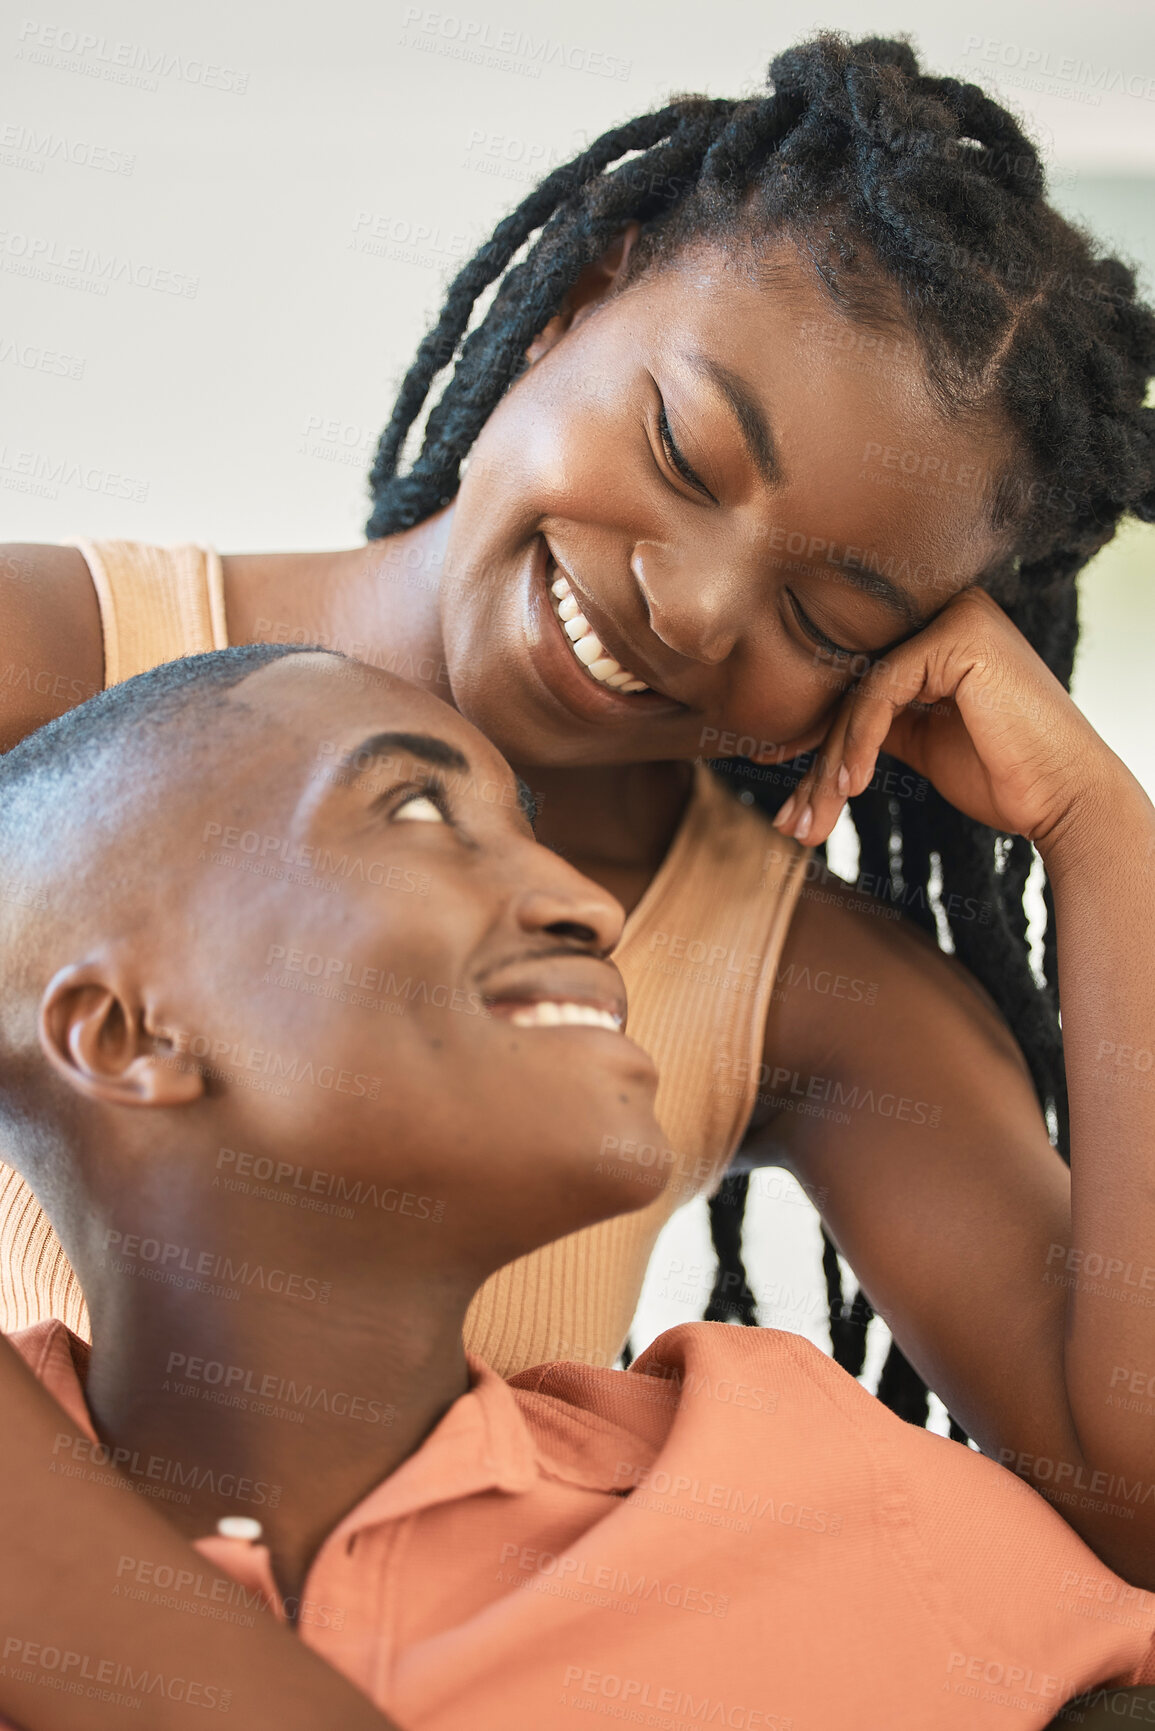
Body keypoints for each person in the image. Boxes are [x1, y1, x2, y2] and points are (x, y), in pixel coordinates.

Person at [1, 33, 1153, 1452]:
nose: (691, 604)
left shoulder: (794, 986)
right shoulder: (45, 661)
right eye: (678, 452)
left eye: (821, 612)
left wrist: (1103, 837)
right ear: (584, 296)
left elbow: (1134, 1489)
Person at [2, 642, 1155, 1731]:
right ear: (122, 1034)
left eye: (525, 827)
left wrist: (1102, 829)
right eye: (414, 809)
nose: (586, 906)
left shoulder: (795, 1479)